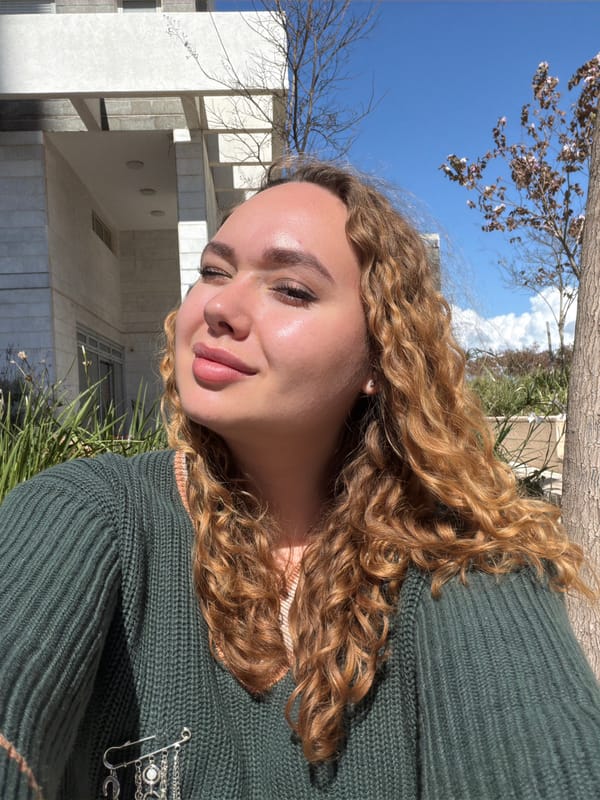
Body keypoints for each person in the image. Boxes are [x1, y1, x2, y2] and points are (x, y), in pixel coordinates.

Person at [1, 157, 599, 800]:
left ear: (380, 354)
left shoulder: (466, 561)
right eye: (213, 271)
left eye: (290, 289)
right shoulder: (88, 516)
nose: (220, 307)